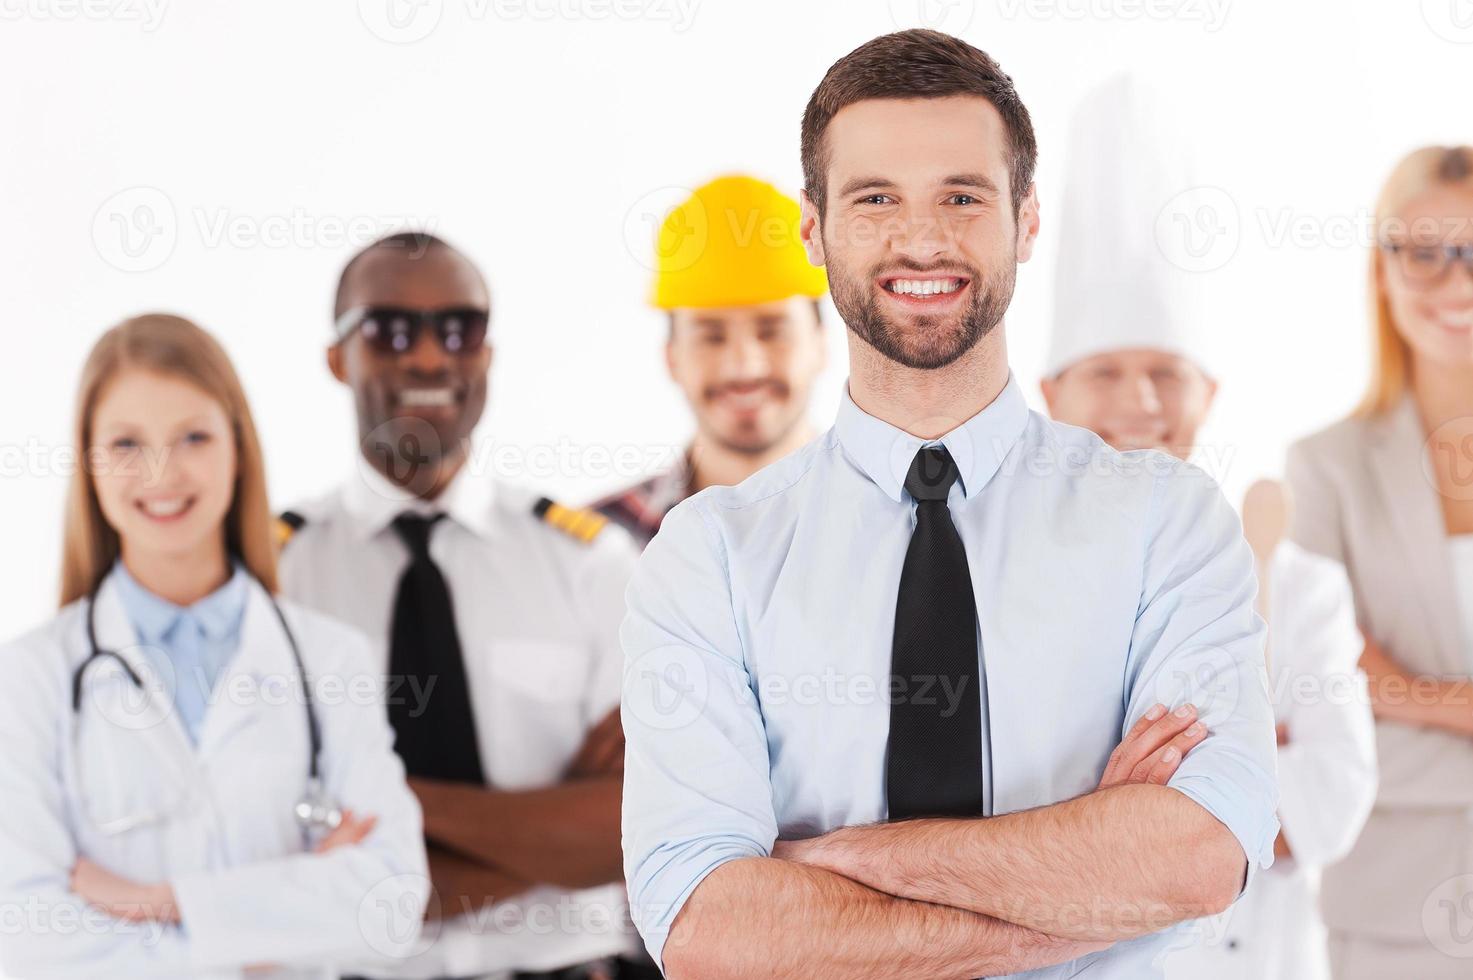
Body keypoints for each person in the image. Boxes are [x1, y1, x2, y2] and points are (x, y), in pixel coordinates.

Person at [621, 30, 1279, 980]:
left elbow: (1197, 855)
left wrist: (820, 864)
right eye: (875, 198)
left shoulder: (1165, 523)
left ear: (1025, 222)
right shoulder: (708, 554)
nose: (921, 239)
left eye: (962, 198)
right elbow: (708, 929)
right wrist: (1090, 877)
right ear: (814, 230)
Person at [1039, 75, 1377, 980]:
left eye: (1164, 371)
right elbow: (1002, 803)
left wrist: (1123, 799)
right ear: (1050, 398)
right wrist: (1233, 767)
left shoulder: (1297, 582)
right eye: (1103, 371)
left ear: (1209, 394)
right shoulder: (1003, 579)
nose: (1138, 402)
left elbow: (1334, 797)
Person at [0, 314, 428, 979]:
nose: (161, 472)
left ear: (238, 447)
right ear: (88, 461)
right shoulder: (31, 675)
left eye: (193, 436)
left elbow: (392, 903)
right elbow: (27, 937)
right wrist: (265, 934)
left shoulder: (328, 659)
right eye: (125, 443)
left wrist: (157, 904)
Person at [277, 232, 650, 979]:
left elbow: (633, 830)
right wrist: (549, 824)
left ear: (487, 355)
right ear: (334, 358)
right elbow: (269, 855)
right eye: (388, 330)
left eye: (458, 329)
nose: (426, 357)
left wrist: (386, 806)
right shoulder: (274, 578)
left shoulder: (590, 565)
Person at [1285, 144, 1473, 978]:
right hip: (1393, 909)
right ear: (1380, 269)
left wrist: (1405, 710)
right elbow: (1320, 703)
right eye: (1425, 253)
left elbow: (1367, 716)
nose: (1456, 285)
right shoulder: (1324, 466)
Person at [593, 174, 828, 547]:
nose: (744, 367)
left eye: (772, 331)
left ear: (821, 343)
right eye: (711, 336)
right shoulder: (593, 545)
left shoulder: (903, 524)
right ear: (671, 357)